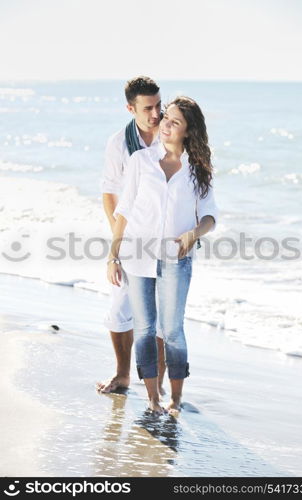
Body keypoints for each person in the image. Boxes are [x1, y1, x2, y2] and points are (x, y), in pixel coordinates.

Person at [107, 96, 218, 415]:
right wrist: (113, 256)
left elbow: (209, 216)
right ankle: (152, 397)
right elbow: (124, 210)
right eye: (165, 118)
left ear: (188, 131)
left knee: (170, 330)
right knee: (143, 329)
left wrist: (193, 234)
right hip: (137, 255)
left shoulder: (198, 169)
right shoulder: (142, 161)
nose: (165, 124)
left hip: (176, 259)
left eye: (175, 122)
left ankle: (173, 397)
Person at [96, 76, 166, 394]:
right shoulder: (119, 143)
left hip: (167, 238)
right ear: (130, 108)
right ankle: (123, 374)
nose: (156, 114)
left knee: (164, 313)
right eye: (148, 108)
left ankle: (159, 387)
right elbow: (109, 191)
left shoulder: (173, 132)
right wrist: (118, 237)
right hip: (130, 236)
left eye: (159, 105)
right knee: (119, 308)